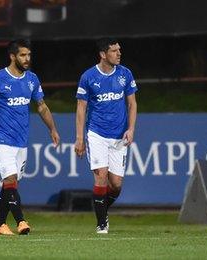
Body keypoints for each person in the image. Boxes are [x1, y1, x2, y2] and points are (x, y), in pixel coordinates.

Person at [0, 39, 60, 235]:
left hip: (21, 141)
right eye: (23, 55)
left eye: (29, 55)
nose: (27, 59)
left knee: (10, 185)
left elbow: (41, 106)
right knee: (10, 179)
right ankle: (21, 221)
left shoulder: (32, 79)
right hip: (2, 139)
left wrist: (52, 129)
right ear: (12, 56)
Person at [74, 38, 138, 234]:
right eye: (114, 51)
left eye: (119, 50)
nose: (119, 53)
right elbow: (81, 108)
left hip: (119, 136)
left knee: (116, 185)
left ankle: (101, 210)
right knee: (101, 177)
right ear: (103, 54)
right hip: (97, 134)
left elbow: (132, 104)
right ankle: (102, 224)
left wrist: (131, 128)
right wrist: (79, 138)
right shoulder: (89, 77)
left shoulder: (125, 74)